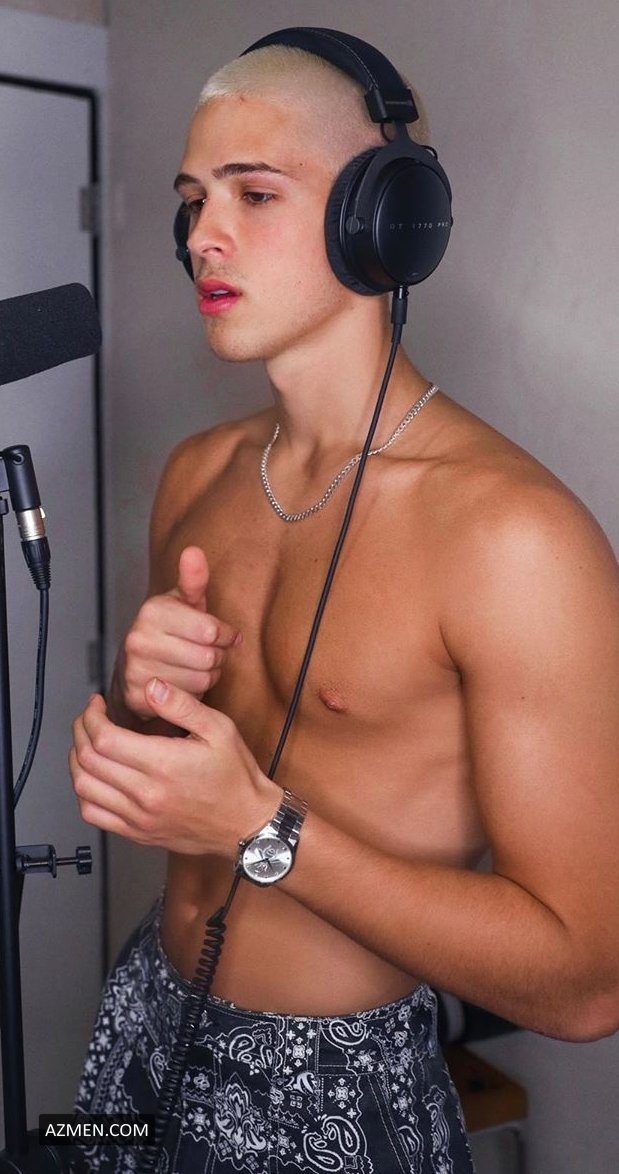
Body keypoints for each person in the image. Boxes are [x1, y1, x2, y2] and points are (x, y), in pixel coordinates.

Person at [70, 28, 619, 1174]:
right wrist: (134, 702)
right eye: (191, 200)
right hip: (140, 1024)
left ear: (385, 219)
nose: (200, 235)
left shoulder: (511, 539)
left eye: (254, 193)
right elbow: (171, 778)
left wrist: (260, 830)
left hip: (332, 1092)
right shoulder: (195, 474)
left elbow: (585, 983)